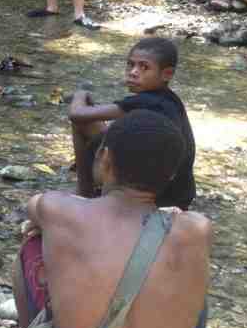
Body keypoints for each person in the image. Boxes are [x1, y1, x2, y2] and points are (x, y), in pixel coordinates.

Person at [0, 110, 219, 328]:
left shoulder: (58, 210)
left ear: (105, 157)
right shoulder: (198, 230)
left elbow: (35, 208)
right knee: (185, 281)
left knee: (32, 246)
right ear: (171, 175)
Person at [67, 37, 196, 210]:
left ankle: (84, 192)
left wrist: (80, 95)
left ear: (167, 74)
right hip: (181, 192)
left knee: (83, 122)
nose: (133, 72)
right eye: (130, 65)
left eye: (144, 67)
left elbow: (76, 114)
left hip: (159, 196)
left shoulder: (149, 102)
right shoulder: (170, 100)